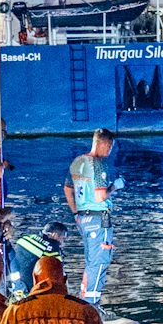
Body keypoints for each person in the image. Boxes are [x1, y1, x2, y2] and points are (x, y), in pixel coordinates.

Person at [65, 126, 119, 306]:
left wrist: (75, 213)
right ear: (104, 143)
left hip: (83, 219)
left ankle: (86, 300)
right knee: (100, 261)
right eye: (110, 147)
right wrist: (115, 187)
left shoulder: (77, 162)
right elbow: (101, 196)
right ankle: (92, 306)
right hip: (99, 219)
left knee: (91, 262)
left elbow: (67, 189)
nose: (109, 151)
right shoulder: (99, 164)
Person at [10, 219, 68, 300]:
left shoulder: (25, 239)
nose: (62, 243)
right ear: (54, 235)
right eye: (62, 239)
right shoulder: (52, 250)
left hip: (16, 285)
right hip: (31, 291)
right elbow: (58, 273)